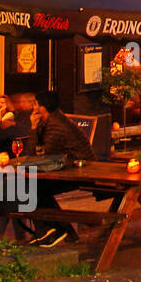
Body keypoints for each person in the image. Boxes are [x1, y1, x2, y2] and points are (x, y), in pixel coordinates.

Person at [28, 90, 96, 248]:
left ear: (42, 108)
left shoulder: (57, 126)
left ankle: (50, 231)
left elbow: (42, 156)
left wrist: (33, 129)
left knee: (34, 188)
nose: (32, 107)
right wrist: (33, 126)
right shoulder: (49, 121)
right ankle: (54, 231)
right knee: (35, 188)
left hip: (80, 171)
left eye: (35, 103)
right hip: (68, 168)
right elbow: (37, 153)